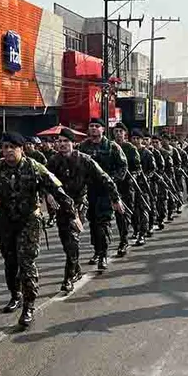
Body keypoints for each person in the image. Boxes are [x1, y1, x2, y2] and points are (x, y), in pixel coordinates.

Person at [0, 132, 77, 328]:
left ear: (21, 148)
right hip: (6, 222)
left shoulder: (34, 167)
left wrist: (72, 215)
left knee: (26, 262)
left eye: (12, 147)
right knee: (10, 262)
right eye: (4, 147)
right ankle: (16, 295)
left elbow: (58, 189)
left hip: (29, 220)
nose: (8, 151)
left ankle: (29, 306)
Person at [47, 128, 122, 293]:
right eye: (59, 141)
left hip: (79, 203)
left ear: (73, 143)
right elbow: (44, 181)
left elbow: (105, 178)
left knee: (73, 239)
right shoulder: (53, 161)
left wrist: (115, 199)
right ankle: (76, 268)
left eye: (66, 141)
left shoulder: (85, 160)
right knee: (66, 240)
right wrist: (47, 195)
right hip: (60, 206)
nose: (62, 144)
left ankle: (68, 277)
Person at [78, 118, 128, 271]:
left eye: (96, 126)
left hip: (106, 191)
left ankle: (103, 254)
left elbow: (122, 167)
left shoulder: (112, 147)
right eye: (91, 126)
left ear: (103, 129)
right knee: (93, 223)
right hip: (90, 191)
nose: (93, 128)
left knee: (103, 224)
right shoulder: (82, 147)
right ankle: (97, 250)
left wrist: (112, 180)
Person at [110, 122, 138, 257]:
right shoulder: (110, 147)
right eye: (116, 131)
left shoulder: (130, 148)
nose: (118, 133)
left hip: (127, 184)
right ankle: (123, 239)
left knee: (127, 212)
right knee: (118, 214)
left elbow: (137, 167)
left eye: (121, 131)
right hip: (114, 186)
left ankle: (129, 235)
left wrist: (133, 176)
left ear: (125, 134)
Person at [132, 129, 156, 244]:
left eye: (138, 138)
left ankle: (142, 233)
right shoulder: (129, 152)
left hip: (144, 185)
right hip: (131, 186)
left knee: (144, 208)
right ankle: (136, 230)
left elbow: (152, 169)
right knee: (133, 210)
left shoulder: (147, 153)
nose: (135, 140)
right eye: (134, 138)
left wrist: (146, 177)